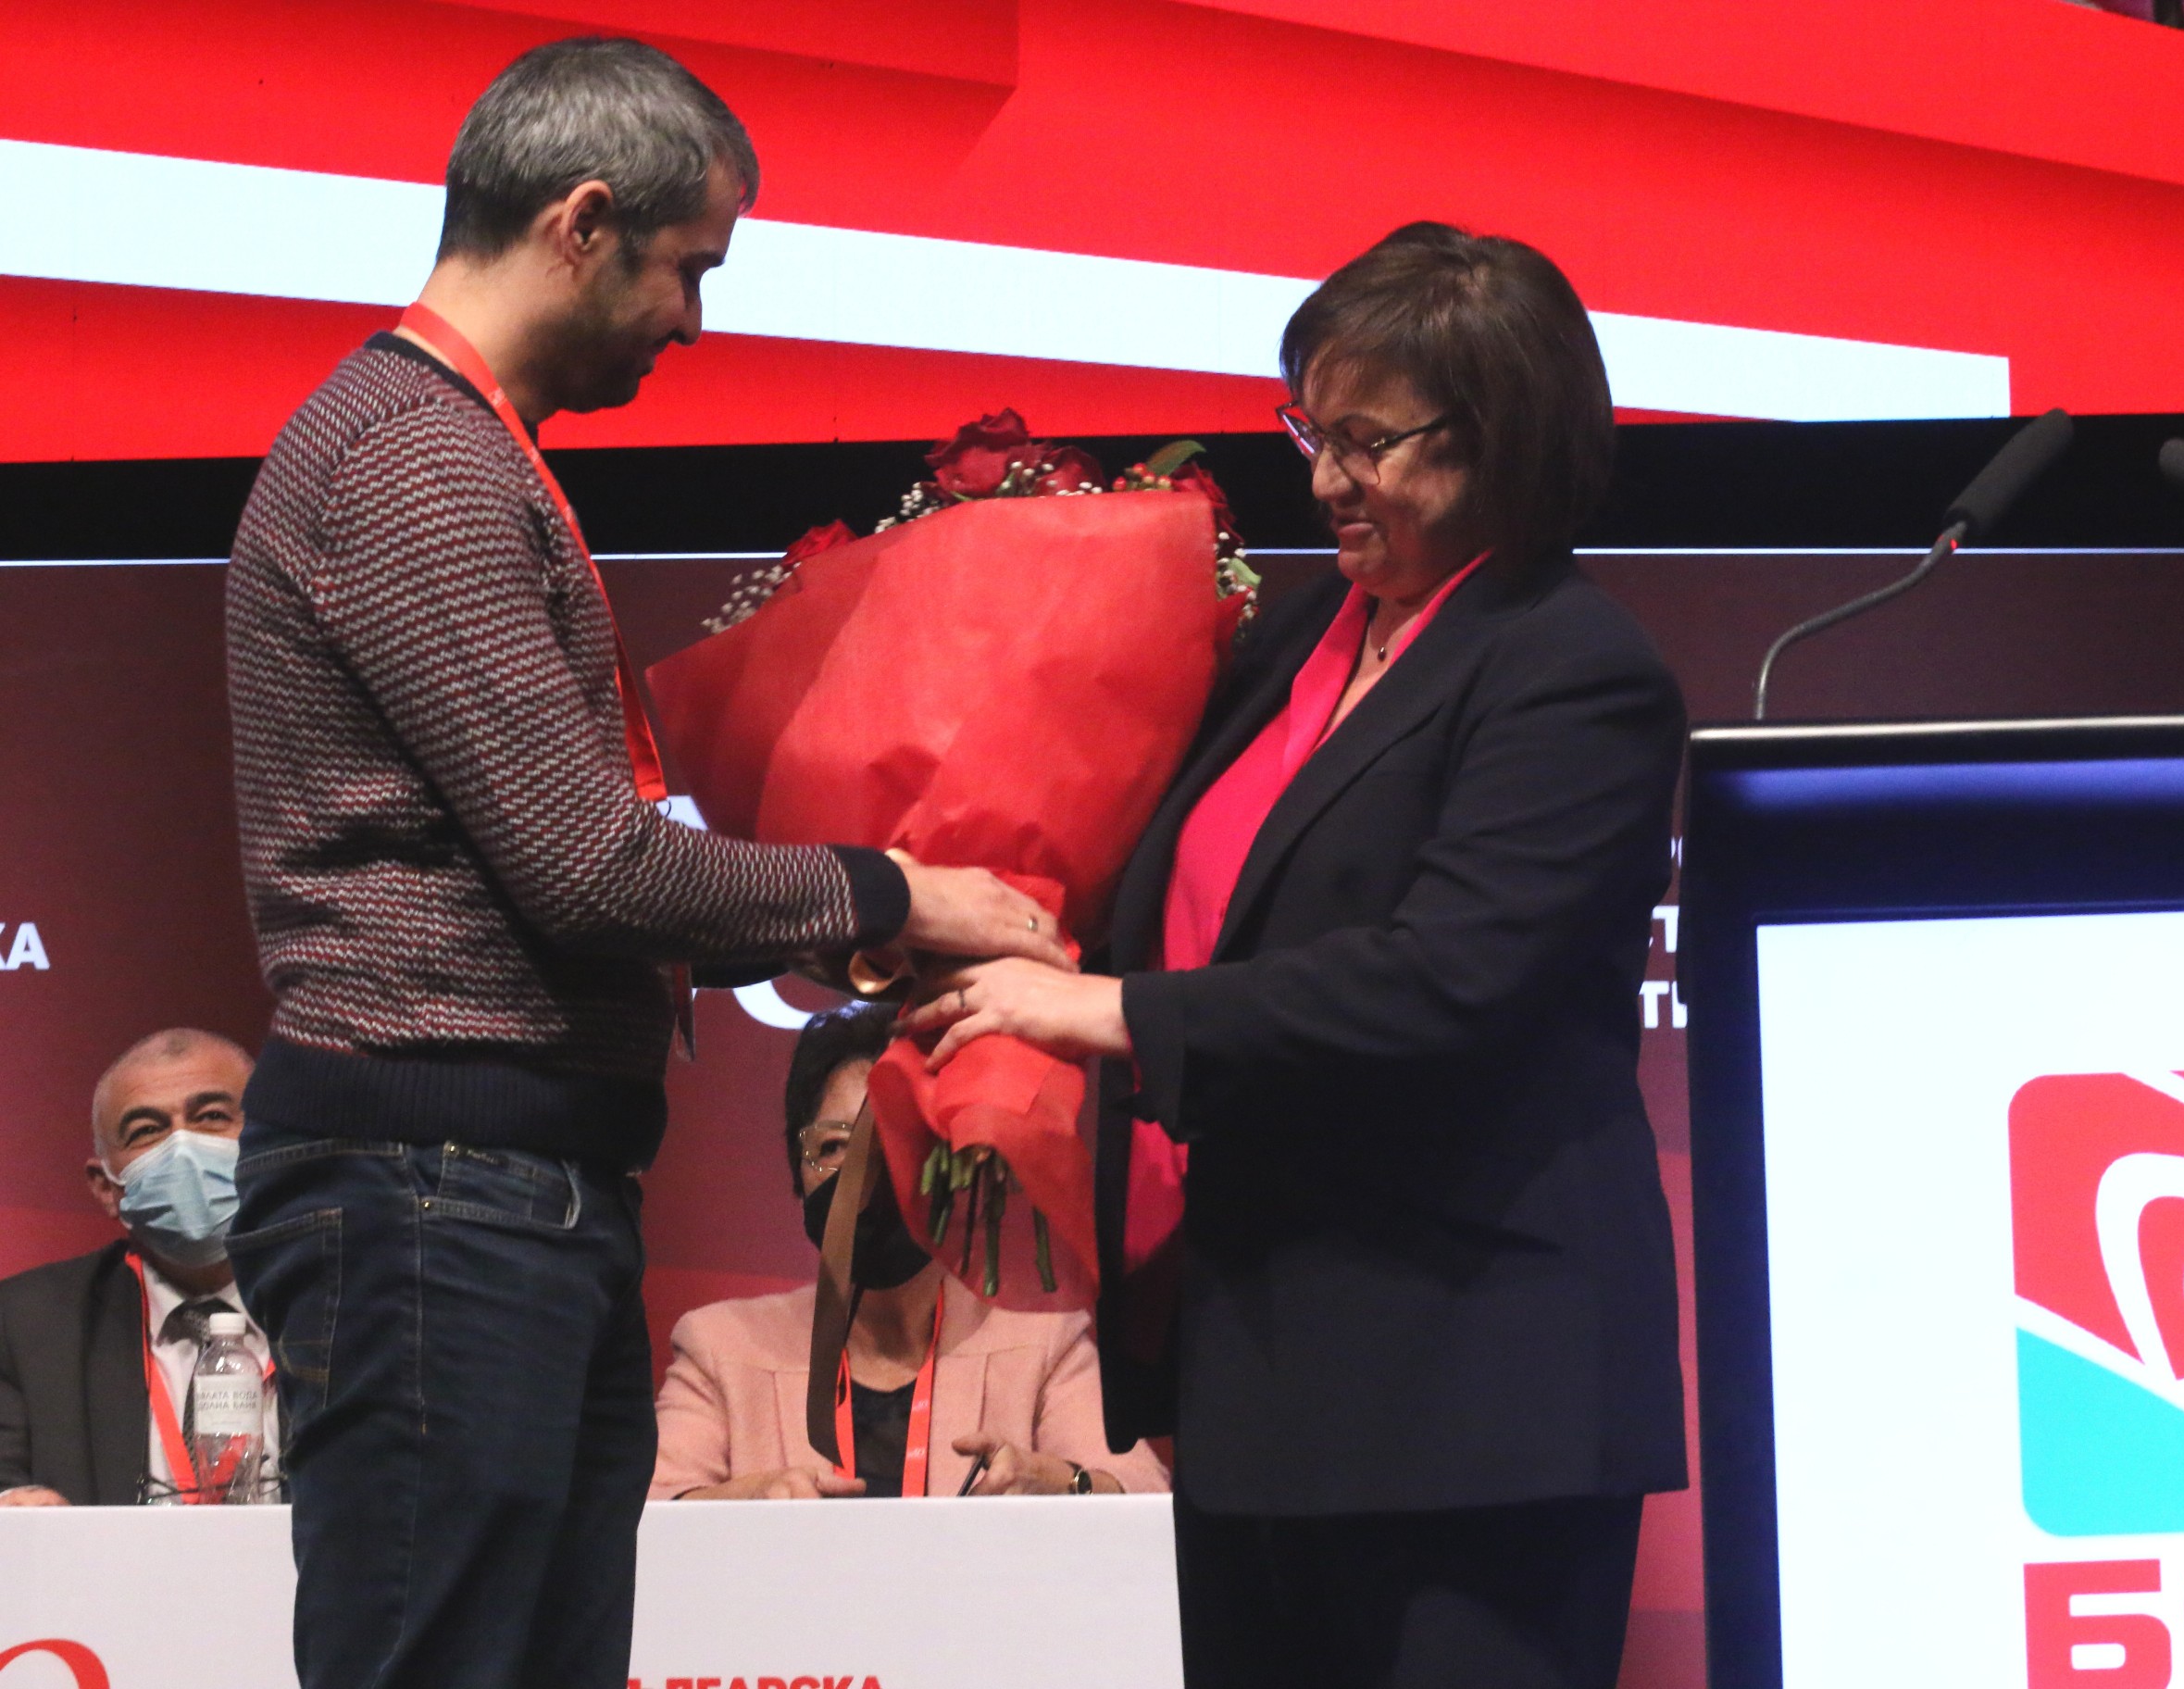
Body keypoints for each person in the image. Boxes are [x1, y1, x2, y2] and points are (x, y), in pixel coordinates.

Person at [220, 38, 1067, 1689]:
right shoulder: (415, 460)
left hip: (488, 1190)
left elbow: (571, 871)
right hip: (437, 1192)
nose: (693, 321)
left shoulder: (451, 448)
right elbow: (587, 871)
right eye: (691, 267)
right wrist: (896, 892)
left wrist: (846, 925)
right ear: (583, 221)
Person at [903, 223, 1691, 1689]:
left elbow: (1446, 980)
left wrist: (1109, 1010)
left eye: (1369, 441)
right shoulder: (1296, 643)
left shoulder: (1574, 670)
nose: (1325, 479)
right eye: (1312, 432)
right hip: (1261, 1369)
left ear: (1501, 437)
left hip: (1473, 1391)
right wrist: (951, 905)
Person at [650, 1005, 1167, 1500]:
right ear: (796, 1175)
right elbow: (645, 1514)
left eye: (893, 1142)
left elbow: (1144, 1496)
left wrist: (1066, 1484)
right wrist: (745, 1502)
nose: (862, 1175)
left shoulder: (1043, 1342)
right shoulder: (720, 1347)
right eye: (833, 1147)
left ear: (950, 1171)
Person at [0, 1030, 270, 1507]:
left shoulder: (364, 1310)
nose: (183, 1147)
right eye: (147, 1131)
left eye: (212, 1117)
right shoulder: (23, 1325)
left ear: (273, 1147)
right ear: (106, 1187)